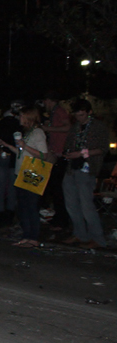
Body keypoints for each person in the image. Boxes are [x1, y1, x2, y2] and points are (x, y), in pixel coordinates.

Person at [0, 106, 48, 248]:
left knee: (31, 206)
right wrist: (7, 145)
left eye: (21, 116)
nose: (19, 119)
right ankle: (26, 236)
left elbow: (43, 154)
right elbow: (21, 153)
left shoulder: (38, 133)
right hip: (21, 172)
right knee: (23, 206)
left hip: (32, 173)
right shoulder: (27, 132)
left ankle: (33, 237)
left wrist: (25, 146)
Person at [61, 99, 109, 249]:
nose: (79, 118)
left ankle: (98, 238)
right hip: (72, 168)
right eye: (77, 115)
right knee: (71, 203)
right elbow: (68, 144)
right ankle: (80, 234)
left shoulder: (98, 127)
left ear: (89, 112)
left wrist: (82, 153)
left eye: (82, 115)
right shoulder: (75, 127)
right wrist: (68, 153)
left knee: (86, 205)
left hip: (87, 168)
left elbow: (102, 148)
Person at [40, 91, 71, 230]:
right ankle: (58, 218)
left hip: (60, 155)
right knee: (54, 189)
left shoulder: (59, 111)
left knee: (58, 190)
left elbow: (67, 127)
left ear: (48, 100)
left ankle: (62, 221)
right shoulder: (53, 113)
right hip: (54, 153)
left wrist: (48, 128)